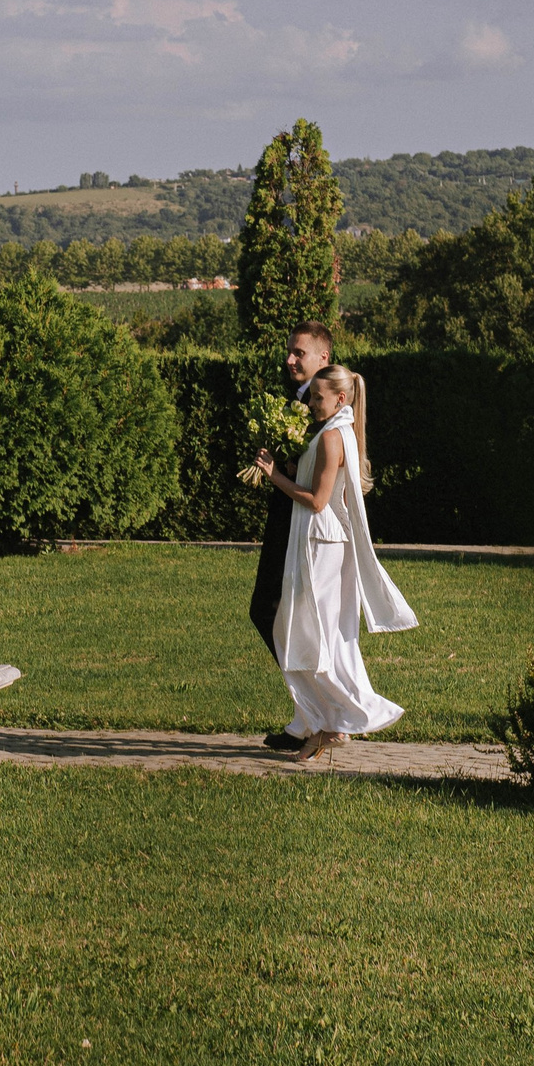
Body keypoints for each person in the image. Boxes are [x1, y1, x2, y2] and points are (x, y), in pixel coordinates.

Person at [254, 363, 415, 760]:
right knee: (308, 633)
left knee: (313, 635)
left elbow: (317, 500)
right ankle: (326, 723)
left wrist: (275, 476)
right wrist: (294, 467)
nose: (309, 403)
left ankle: (338, 719)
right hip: (319, 540)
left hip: (320, 544)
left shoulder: (331, 437)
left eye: (317, 397)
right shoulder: (334, 430)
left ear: (340, 399)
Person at [248, 321, 332, 750]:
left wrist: (275, 472)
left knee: (274, 612)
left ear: (324, 358)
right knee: (275, 615)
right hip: (285, 520)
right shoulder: (294, 403)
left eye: (299, 352)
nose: (290, 359)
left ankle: (319, 715)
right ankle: (309, 716)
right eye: (289, 351)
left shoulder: (327, 410)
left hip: (305, 526)